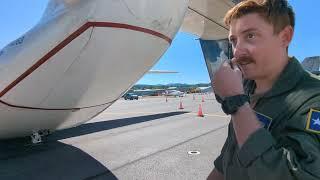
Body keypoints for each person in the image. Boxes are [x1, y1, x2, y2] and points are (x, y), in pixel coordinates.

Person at [207, 0, 320, 179]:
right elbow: (227, 159)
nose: (237, 52)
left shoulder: (313, 98)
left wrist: (235, 102)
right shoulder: (246, 90)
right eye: (234, 41)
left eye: (250, 36)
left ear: (285, 37)